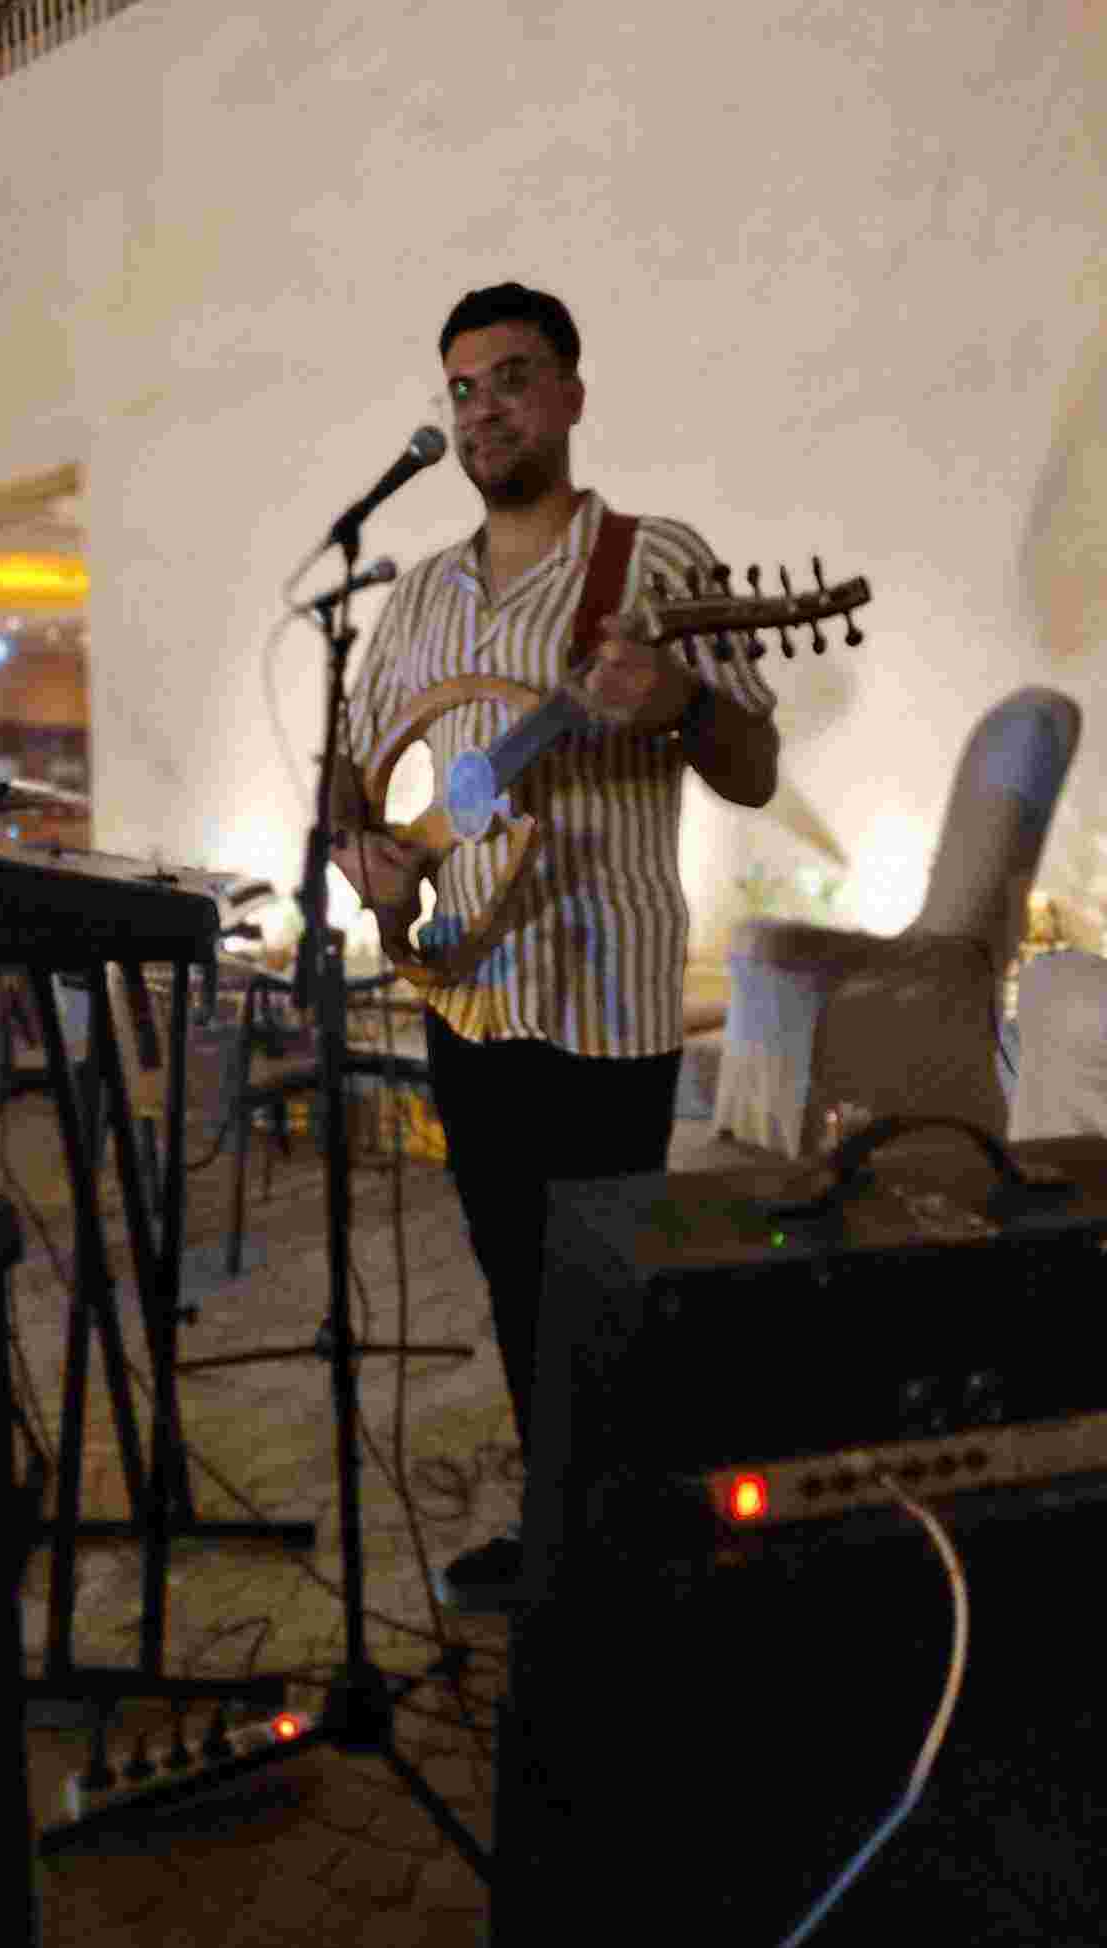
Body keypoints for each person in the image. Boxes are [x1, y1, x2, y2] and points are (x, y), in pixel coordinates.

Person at [328, 282, 779, 1612]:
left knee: (611, 1298)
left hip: (604, 994)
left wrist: (679, 695)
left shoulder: (654, 560)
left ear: (573, 393)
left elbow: (751, 766)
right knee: (517, 1290)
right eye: (463, 389)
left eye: (514, 378)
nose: (484, 410)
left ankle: (639, 1561)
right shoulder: (418, 596)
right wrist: (362, 850)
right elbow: (351, 767)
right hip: (466, 991)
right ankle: (563, 1536)